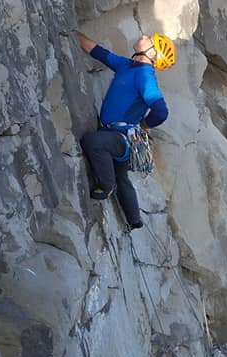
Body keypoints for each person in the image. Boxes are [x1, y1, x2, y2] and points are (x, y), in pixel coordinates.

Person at [76, 31, 176, 230]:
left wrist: (143, 125)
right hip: (116, 134)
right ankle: (134, 219)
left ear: (152, 53)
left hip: (121, 138)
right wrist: (74, 34)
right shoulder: (128, 65)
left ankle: (106, 185)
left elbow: (161, 111)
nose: (144, 36)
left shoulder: (145, 76)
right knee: (122, 178)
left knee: (92, 142)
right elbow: (99, 53)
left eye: (150, 39)